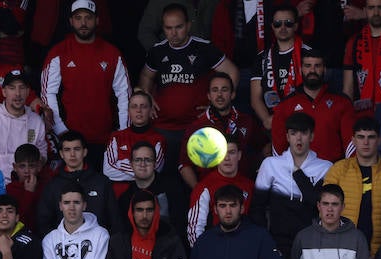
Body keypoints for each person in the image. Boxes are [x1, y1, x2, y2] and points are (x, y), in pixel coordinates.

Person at [40, 0, 130, 164]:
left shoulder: (112, 53)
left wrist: (122, 132)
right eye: (78, 17)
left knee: (101, 187)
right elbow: (48, 94)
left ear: (97, 20)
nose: (83, 23)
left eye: (88, 17)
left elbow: (124, 95)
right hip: (70, 141)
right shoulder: (59, 52)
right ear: (71, 21)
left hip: (105, 138)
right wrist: (62, 131)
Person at [140, 3, 239, 144]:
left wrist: (217, 105)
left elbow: (232, 72)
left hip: (197, 126)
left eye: (178, 27)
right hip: (162, 126)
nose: (173, 33)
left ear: (188, 25)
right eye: (168, 28)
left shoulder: (204, 48)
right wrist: (146, 97)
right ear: (163, 28)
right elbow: (146, 75)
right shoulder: (157, 51)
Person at [252, 112, 330, 259]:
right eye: (294, 133)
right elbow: (257, 207)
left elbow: (318, 204)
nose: (299, 139)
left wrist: (296, 172)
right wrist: (266, 242)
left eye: (303, 133)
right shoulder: (271, 164)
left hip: (312, 243)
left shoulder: (325, 167)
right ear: (287, 137)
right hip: (278, 242)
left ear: (312, 136)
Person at [322, 116, 381, 256]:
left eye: (371, 137)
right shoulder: (338, 170)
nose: (366, 142)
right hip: (343, 248)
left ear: (379, 140)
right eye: (360, 137)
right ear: (353, 140)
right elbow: (325, 210)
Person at [270, 47, 357, 163]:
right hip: (296, 173)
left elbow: (351, 145)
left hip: (333, 172)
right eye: (308, 66)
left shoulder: (341, 102)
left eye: (317, 66)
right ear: (301, 69)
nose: (312, 70)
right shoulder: (285, 105)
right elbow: (278, 148)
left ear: (324, 69)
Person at [39, 130, 116, 232]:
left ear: (85, 152)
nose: (72, 154)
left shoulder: (102, 182)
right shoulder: (52, 186)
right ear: (61, 154)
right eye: (67, 150)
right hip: (63, 245)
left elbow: (115, 220)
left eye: (77, 149)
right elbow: (44, 223)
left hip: (99, 245)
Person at [250, 4, 309, 132]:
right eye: (278, 24)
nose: (282, 27)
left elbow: (315, 92)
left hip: (303, 122)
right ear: (272, 26)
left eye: (288, 23)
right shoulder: (262, 57)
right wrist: (267, 120)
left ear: (296, 26)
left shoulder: (308, 54)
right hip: (273, 122)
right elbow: (255, 98)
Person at [0, 69, 47, 179]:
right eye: (12, 88)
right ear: (4, 92)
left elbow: (42, 153)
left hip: (26, 184)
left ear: (28, 91)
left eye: (22, 87)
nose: (17, 93)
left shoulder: (36, 121)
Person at [103, 91, 166, 184]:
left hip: (147, 192)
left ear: (150, 110)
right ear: (128, 111)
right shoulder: (116, 136)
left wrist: (121, 163)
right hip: (119, 194)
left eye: (143, 106)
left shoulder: (158, 139)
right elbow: (108, 170)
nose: (139, 110)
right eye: (134, 106)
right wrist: (141, 169)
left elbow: (154, 170)